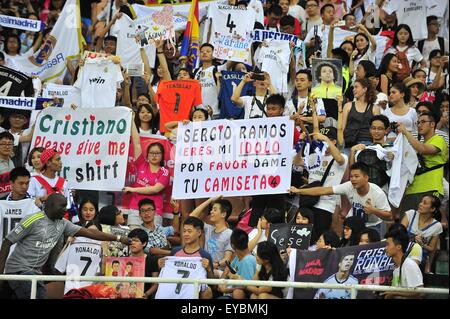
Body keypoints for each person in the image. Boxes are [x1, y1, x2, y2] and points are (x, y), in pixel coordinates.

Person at [0, 193, 131, 299]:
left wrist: (118, 238)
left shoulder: (63, 223)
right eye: (62, 206)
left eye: (66, 206)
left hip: (35, 272)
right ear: (50, 205)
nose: (65, 209)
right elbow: (7, 242)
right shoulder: (32, 220)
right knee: (38, 295)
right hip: (19, 270)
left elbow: (90, 233)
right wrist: (1, 274)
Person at [290, 162, 392, 236]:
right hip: (353, 225)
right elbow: (323, 190)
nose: (353, 179)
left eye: (356, 176)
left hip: (372, 226)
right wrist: (299, 191)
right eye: (351, 176)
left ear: (366, 177)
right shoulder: (348, 186)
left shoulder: (377, 193)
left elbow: (389, 216)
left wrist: (373, 210)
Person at [293, 126, 347, 243]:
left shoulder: (342, 157)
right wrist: (301, 143)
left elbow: (339, 159)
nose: (321, 142)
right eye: (319, 140)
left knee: (318, 238)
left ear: (333, 141)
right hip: (308, 201)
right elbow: (296, 161)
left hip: (325, 205)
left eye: (324, 140)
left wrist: (325, 140)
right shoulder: (316, 156)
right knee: (301, 238)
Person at [397, 112, 448, 215]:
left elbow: (423, 149)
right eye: (418, 123)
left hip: (431, 188)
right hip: (412, 189)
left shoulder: (439, 139)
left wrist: (406, 132)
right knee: (405, 225)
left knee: (426, 226)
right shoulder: (418, 143)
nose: (419, 125)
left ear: (432, 124)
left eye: (423, 122)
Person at [124, 120, 170, 227]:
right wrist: (131, 120)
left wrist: (132, 189)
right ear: (147, 155)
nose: (154, 155)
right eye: (151, 153)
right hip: (136, 210)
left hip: (154, 212)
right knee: (134, 240)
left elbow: (155, 189)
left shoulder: (165, 172)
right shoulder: (142, 164)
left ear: (162, 155)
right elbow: (136, 143)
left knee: (151, 242)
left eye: (157, 153)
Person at [161, 216, 214, 299]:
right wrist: (161, 265)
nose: (186, 234)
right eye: (184, 231)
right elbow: (166, 274)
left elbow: (212, 283)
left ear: (199, 232)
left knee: (208, 292)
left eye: (189, 231)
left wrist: (209, 269)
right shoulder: (175, 252)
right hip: (172, 293)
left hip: (192, 295)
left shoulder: (204, 255)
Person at [190, 196, 233, 275]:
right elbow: (192, 217)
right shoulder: (208, 229)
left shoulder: (229, 233)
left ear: (223, 214)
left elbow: (227, 259)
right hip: (205, 268)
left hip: (220, 272)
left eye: (215, 209)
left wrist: (215, 265)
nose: (211, 212)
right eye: (211, 209)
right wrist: (210, 200)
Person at [401, 195, 443, 273]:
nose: (420, 204)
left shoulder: (437, 226)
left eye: (425, 203)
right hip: (403, 249)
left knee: (416, 248)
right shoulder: (411, 214)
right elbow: (399, 234)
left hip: (420, 255)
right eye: (421, 201)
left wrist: (422, 244)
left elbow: (432, 249)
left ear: (432, 209)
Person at [382, 227, 423, 299]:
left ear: (398, 247)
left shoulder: (409, 265)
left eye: (388, 244)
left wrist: (393, 294)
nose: (386, 248)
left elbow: (419, 292)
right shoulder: (396, 269)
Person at [218, 228, 257, 299]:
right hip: (232, 292)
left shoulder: (248, 260)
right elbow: (224, 275)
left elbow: (246, 286)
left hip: (245, 295)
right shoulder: (237, 257)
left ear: (232, 245)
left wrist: (226, 290)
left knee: (237, 293)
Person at [343, 78, 380, 149]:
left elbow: (376, 130)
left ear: (364, 89)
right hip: (349, 142)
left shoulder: (375, 108)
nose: (353, 89)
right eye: (353, 87)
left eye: (356, 87)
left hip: (367, 143)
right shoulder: (348, 106)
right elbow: (342, 128)